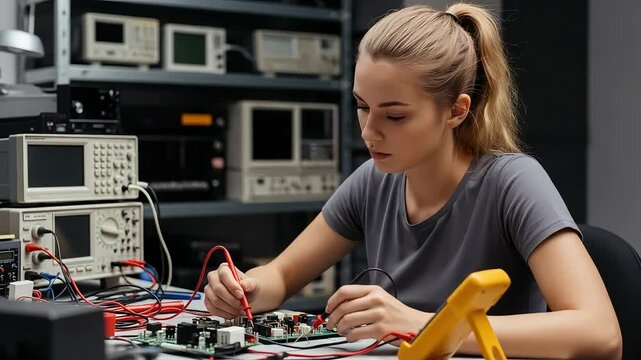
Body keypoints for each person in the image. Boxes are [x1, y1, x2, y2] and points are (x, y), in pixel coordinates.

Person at [205, 3, 622, 359]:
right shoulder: (373, 179)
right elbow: (281, 278)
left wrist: (427, 324)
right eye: (362, 106)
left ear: (457, 111)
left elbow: (600, 335)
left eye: (395, 116)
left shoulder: (514, 182)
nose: (369, 132)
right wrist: (246, 289)